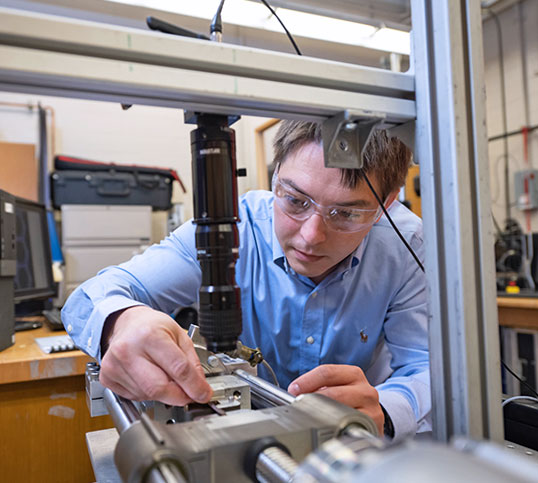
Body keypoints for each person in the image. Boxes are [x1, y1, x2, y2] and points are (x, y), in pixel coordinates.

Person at [62, 120, 430, 441]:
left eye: (346, 213)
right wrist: (122, 321)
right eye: (296, 201)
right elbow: (90, 298)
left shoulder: (407, 245)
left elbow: (425, 367)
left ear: (387, 203)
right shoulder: (232, 227)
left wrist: (384, 408)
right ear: (275, 177)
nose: (310, 237)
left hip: (356, 450)